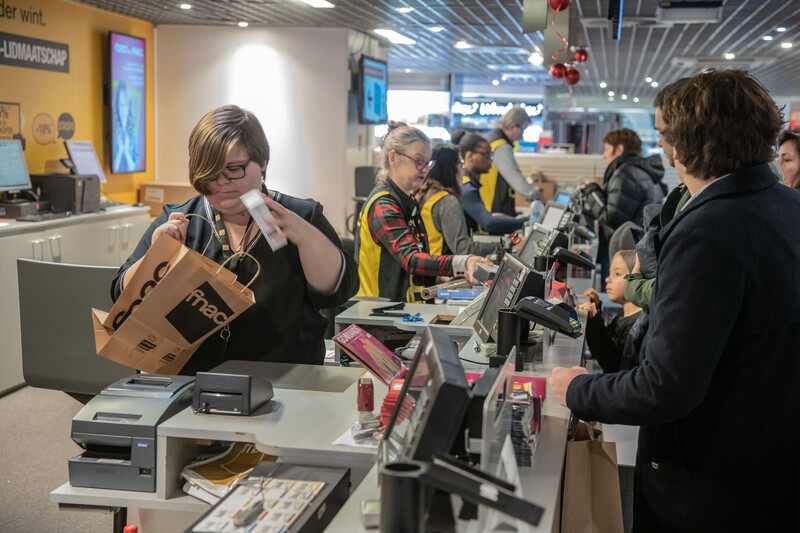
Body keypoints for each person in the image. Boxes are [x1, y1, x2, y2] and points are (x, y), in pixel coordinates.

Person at [550, 70, 800, 531]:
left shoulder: (708, 232)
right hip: (771, 466)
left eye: (664, 136)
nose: (661, 148)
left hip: (710, 487)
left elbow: (664, 387)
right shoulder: (785, 206)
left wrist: (576, 389)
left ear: (687, 142)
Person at [112, 105, 358, 374]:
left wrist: (308, 239)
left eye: (234, 168)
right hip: (193, 384)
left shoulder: (299, 216)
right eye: (210, 172)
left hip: (286, 385)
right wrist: (158, 257)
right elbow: (121, 294)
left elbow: (337, 292)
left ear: (263, 162)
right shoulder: (181, 219)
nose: (221, 182)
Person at [355, 122, 490, 302]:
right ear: (393, 158)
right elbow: (410, 260)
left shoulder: (406, 199)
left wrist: (445, 280)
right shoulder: (383, 204)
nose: (425, 169)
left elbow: (409, 270)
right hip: (379, 315)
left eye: (428, 163)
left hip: (403, 308)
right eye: (419, 162)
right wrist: (463, 262)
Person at [583, 128, 666, 284]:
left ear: (619, 149)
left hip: (624, 253)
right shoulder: (640, 171)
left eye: (607, 150)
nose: (604, 155)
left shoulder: (626, 173)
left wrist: (591, 190)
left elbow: (611, 216)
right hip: (636, 252)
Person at [414, 143, 504, 257]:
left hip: (430, 266)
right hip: (443, 271)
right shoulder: (447, 202)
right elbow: (462, 248)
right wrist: (504, 246)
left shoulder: (426, 194)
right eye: (461, 165)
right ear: (450, 168)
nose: (463, 170)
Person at [470, 106, 539, 216]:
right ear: (512, 126)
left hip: (484, 202)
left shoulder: (491, 138)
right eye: (522, 129)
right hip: (493, 205)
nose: (522, 135)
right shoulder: (501, 146)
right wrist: (535, 195)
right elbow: (514, 175)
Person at [455, 130, 526, 236]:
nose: (490, 160)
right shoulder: (465, 187)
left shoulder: (469, 183)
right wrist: (525, 221)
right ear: (469, 156)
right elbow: (488, 223)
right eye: (486, 155)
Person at [580, 250, 641, 373]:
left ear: (636, 279)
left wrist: (595, 320)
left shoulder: (635, 326)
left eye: (617, 274)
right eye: (609, 274)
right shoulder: (623, 316)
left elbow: (613, 366)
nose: (608, 279)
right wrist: (595, 311)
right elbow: (599, 351)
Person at [112, 80, 140, 172]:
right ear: (117, 106)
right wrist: (120, 151)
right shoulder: (113, 132)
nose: (123, 110)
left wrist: (127, 151)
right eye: (121, 105)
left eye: (126, 106)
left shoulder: (134, 132)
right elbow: (114, 168)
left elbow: (134, 167)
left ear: (129, 107)